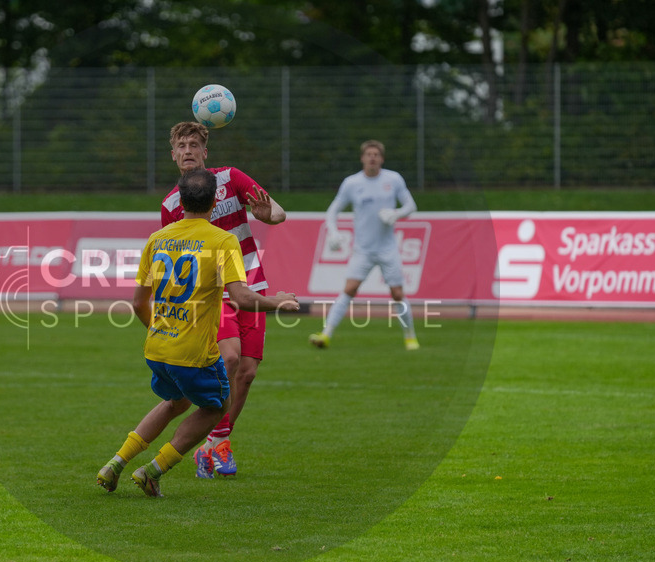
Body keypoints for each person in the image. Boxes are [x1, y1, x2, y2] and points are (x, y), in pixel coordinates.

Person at [96, 168, 299, 497]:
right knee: (217, 407)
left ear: (181, 198)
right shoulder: (222, 240)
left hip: (157, 348)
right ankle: (153, 470)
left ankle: (115, 463)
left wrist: (161, 330)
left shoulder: (157, 239)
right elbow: (242, 298)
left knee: (174, 403)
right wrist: (279, 302)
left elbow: (137, 303)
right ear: (215, 200)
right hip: (193, 352)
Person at [160, 121, 287, 479]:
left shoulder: (231, 178)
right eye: (181, 145)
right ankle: (217, 438)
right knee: (229, 356)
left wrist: (268, 217)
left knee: (246, 373)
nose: (187, 150)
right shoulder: (171, 204)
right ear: (173, 155)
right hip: (212, 296)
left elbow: (276, 211)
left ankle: (215, 442)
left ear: (205, 152)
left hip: (251, 285)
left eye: (193, 145)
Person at [309, 139, 420, 351]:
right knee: (349, 289)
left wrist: (396, 213)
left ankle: (410, 337)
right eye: (369, 154)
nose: (372, 158)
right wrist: (333, 231)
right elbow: (333, 211)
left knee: (397, 293)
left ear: (382, 159)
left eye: (376, 155)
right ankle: (326, 334)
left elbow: (410, 205)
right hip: (363, 250)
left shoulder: (393, 179)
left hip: (388, 249)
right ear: (362, 158)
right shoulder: (352, 183)